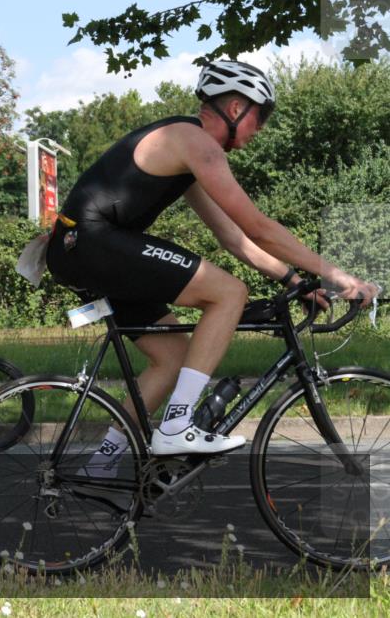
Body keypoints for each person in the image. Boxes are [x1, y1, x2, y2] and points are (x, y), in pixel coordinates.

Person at [46, 60, 380, 467]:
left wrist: (294, 279)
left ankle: (101, 466)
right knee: (228, 293)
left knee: (171, 359)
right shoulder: (195, 142)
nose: (262, 128)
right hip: (93, 242)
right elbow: (258, 227)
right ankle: (175, 426)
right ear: (237, 108)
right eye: (263, 115)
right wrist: (337, 275)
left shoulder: (187, 149)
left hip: (83, 247)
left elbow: (234, 237)